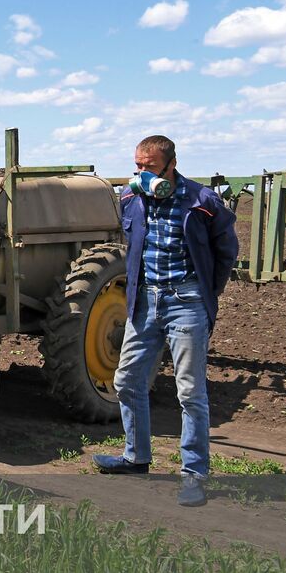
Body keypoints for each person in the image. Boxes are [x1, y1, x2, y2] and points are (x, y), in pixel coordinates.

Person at [93, 135, 238, 507]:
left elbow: (226, 250)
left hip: (185, 301)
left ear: (171, 165)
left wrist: (206, 292)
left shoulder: (202, 202)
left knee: (190, 391)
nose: (141, 174)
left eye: (150, 168)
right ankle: (136, 458)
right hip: (144, 302)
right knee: (126, 380)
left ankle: (193, 475)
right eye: (137, 167)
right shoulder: (130, 199)